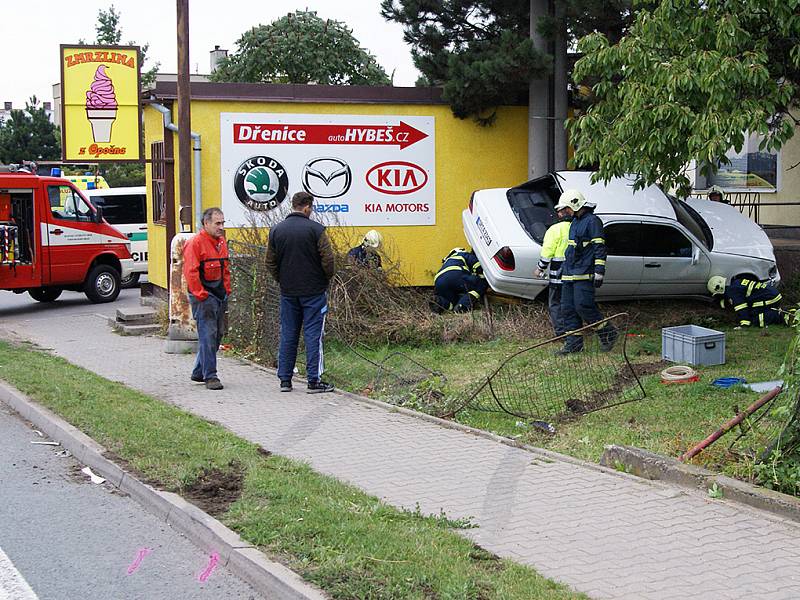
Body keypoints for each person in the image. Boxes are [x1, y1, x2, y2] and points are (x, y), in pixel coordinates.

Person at [266, 191, 336, 393]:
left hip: (288, 291)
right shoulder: (316, 230)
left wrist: (282, 279)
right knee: (313, 335)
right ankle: (314, 380)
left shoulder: (276, 231)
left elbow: (269, 262)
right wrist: (325, 278)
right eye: (311, 208)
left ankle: (285, 379)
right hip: (314, 291)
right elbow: (328, 260)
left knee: (288, 334)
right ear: (307, 207)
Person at [557, 189, 618, 354]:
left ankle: (609, 333)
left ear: (575, 205)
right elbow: (572, 249)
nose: (563, 212)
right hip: (570, 273)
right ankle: (574, 345)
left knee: (583, 306)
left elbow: (599, 248)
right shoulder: (575, 222)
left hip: (584, 274)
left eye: (566, 209)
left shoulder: (592, 222)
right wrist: (563, 268)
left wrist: (599, 271)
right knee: (568, 309)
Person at [183, 207, 231, 390]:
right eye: (217, 223)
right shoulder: (195, 243)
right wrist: (201, 295)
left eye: (222, 223)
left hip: (219, 294)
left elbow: (225, 268)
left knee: (217, 333)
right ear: (206, 223)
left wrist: (226, 290)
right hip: (204, 296)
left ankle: (199, 371)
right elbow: (191, 272)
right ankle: (210, 376)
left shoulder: (221, 242)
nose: (221, 227)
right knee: (208, 335)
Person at [534, 203, 572, 336]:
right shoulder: (578, 226)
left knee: (555, 304)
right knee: (570, 304)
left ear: (560, 213)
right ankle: (573, 331)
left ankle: (561, 333)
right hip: (575, 275)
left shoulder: (555, 229)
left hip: (558, 276)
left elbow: (547, 252)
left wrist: (540, 268)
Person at [708, 275, 796, 327]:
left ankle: (780, 316)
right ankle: (786, 313)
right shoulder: (735, 284)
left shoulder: (733, 292)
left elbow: (741, 307)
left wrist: (744, 323)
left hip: (769, 298)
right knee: (754, 312)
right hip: (771, 294)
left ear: (719, 289)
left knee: (755, 320)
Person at [430, 248, 488, 313]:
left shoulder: (447, 261)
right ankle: (462, 306)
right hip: (455, 275)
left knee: (452, 301)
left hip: (438, 281)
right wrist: (480, 277)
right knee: (481, 285)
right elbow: (476, 264)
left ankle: (440, 303)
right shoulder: (462, 254)